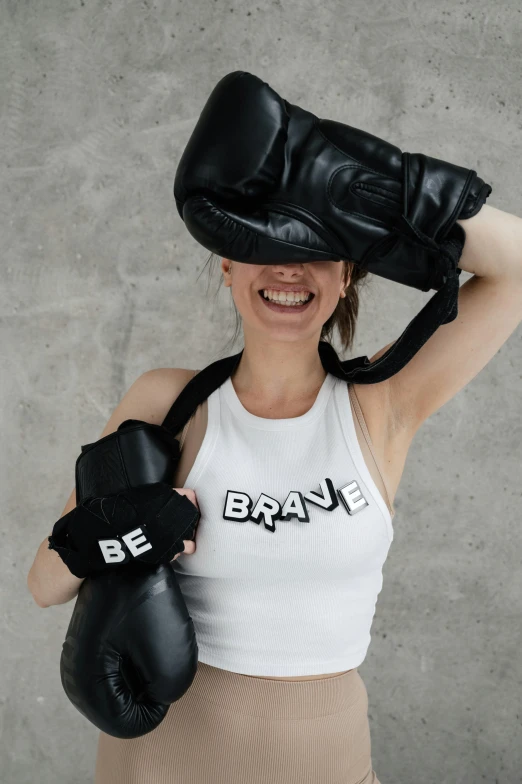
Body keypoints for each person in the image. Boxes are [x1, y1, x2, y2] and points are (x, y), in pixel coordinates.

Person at [28, 199, 522, 782]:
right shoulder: (169, 403)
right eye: (264, 244)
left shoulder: (384, 400)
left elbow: (514, 264)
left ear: (347, 274)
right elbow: (45, 584)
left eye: (316, 249)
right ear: (228, 264)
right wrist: (118, 531)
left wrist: (378, 190)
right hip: (162, 760)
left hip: (323, 757)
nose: (288, 269)